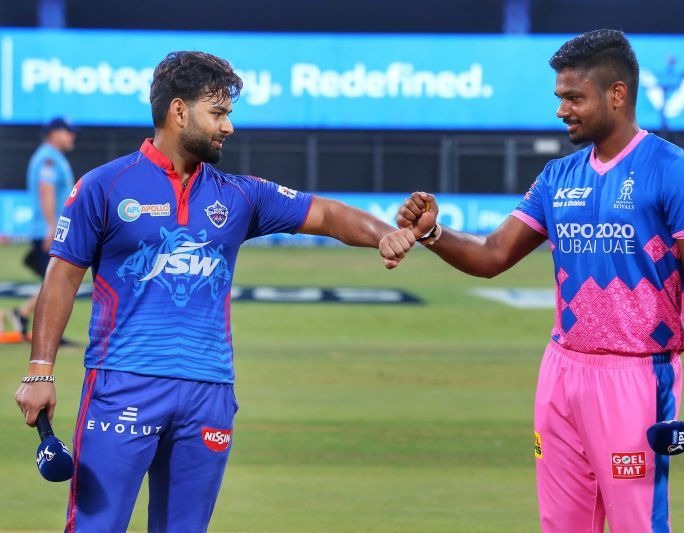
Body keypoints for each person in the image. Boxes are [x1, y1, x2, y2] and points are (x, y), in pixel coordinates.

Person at [14, 51, 415, 532]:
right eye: (218, 113)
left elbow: (326, 214)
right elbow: (61, 278)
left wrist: (382, 234)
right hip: (123, 385)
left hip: (210, 392)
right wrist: (40, 373)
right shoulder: (104, 187)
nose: (229, 128)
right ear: (178, 111)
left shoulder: (238, 194)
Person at [386, 29, 684, 532]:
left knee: (638, 524)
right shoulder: (557, 176)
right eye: (560, 98)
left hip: (634, 376)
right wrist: (432, 233)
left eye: (574, 98)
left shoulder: (676, 171)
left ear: (616, 94)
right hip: (561, 371)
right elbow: (492, 254)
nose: (562, 110)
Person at [11, 118, 77, 338]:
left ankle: (22, 314)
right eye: (67, 132)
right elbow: (46, 191)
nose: (72, 136)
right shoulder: (48, 158)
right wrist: (52, 228)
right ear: (53, 133)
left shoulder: (53, 157)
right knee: (57, 283)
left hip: (50, 229)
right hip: (48, 230)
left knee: (54, 282)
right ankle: (46, 332)